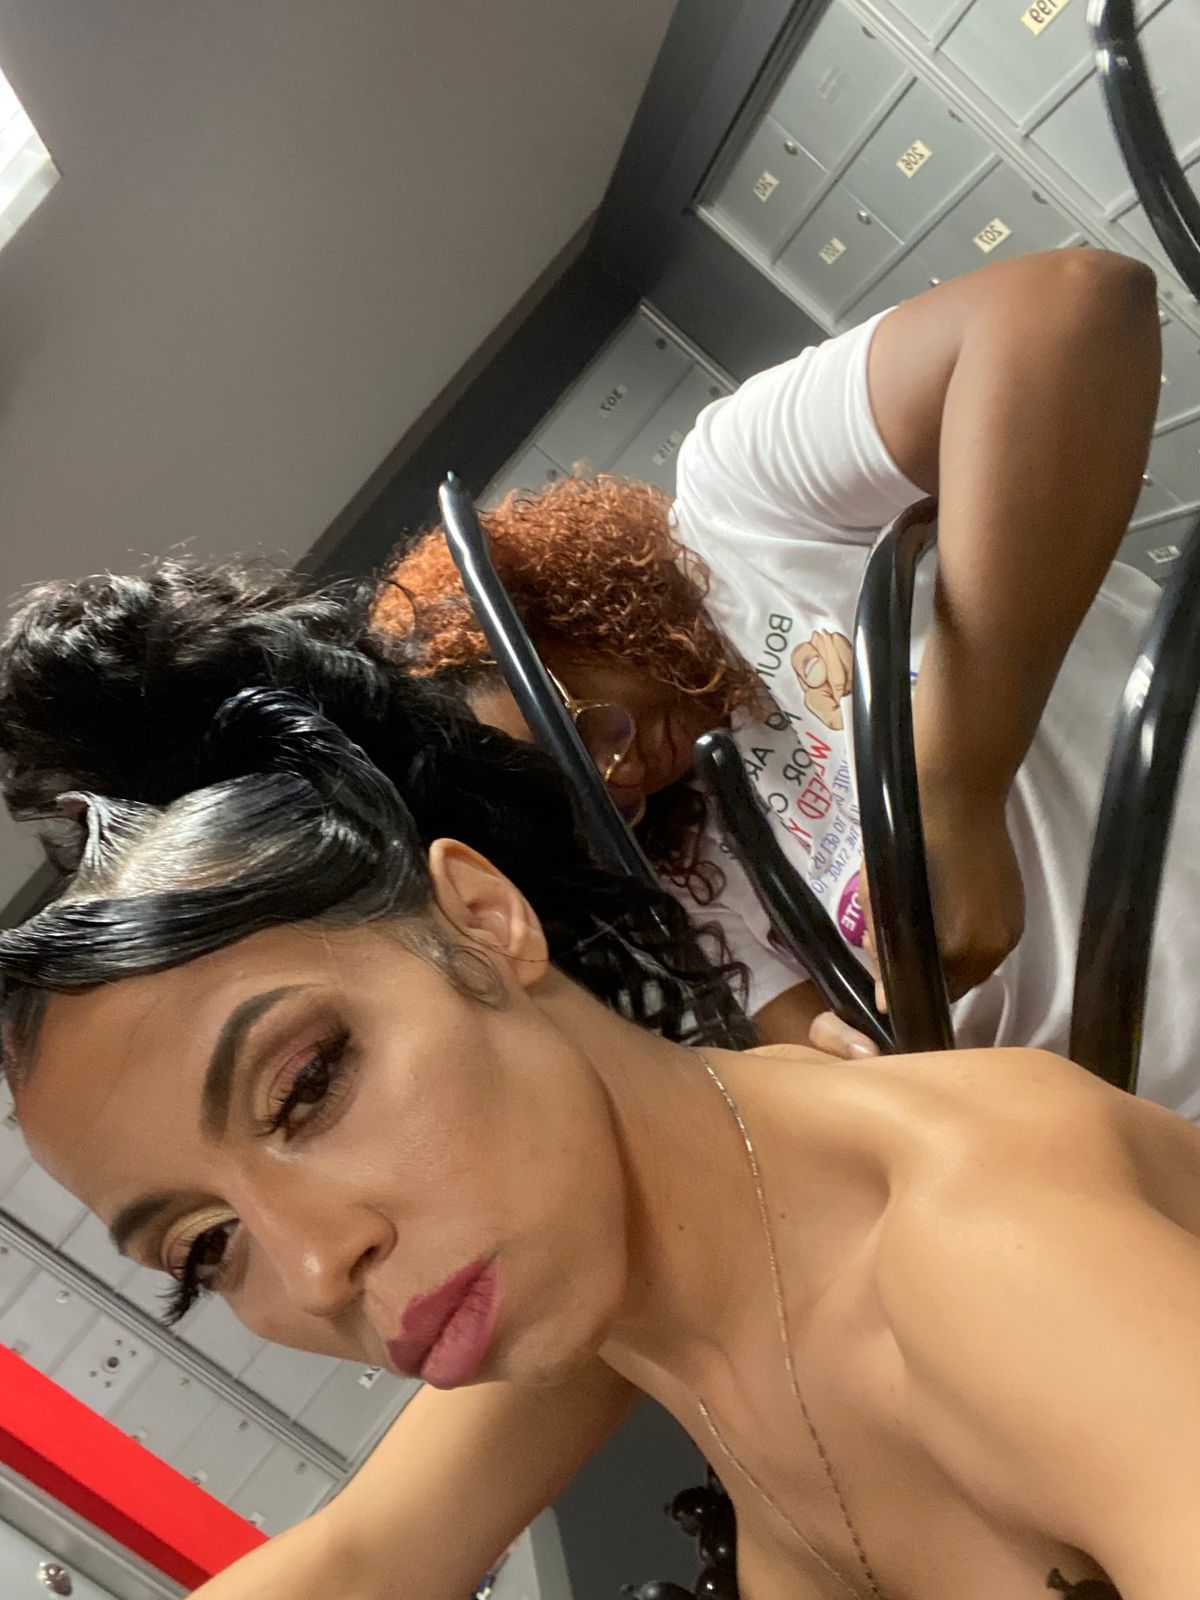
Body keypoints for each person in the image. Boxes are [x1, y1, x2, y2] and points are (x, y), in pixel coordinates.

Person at [4, 686, 1200, 1600]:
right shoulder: (634, 1279)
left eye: (309, 1085)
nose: (318, 1266)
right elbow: (359, 1562)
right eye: (206, 1248)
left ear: (483, 920)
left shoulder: (986, 1253)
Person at [376, 248, 1200, 1110]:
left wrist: (954, 789)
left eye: (588, 729)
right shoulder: (683, 876)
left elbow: (1069, 306)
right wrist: (839, 1071)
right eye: (591, 804)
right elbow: (842, 1068)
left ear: (563, 615)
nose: (626, 776)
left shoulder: (737, 501)